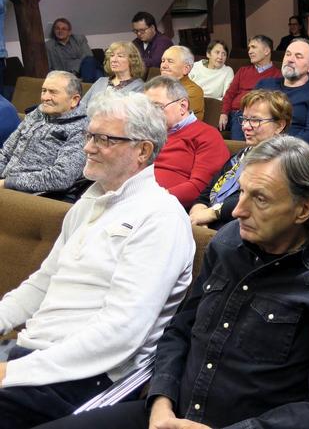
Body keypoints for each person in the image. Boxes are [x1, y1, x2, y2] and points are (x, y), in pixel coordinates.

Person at [36, 136, 309, 429]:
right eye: (241, 192)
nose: (237, 210)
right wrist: (161, 400)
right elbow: (180, 330)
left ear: (303, 209)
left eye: (259, 199)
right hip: (168, 413)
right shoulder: (229, 241)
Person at [0, 91, 195, 428]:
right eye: (90, 135)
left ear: (143, 150)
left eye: (103, 139)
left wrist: (13, 371)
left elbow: (120, 333)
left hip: (89, 376)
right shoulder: (90, 202)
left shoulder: (160, 218)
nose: (87, 147)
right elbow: (42, 283)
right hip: (35, 356)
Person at [189, 89, 291, 229]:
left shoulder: (283, 161)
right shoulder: (240, 156)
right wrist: (198, 214)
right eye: (244, 119)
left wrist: (211, 214)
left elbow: (253, 200)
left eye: (255, 120)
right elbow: (206, 194)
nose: (245, 126)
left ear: (279, 125)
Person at [145, 76, 229, 209]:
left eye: (157, 107)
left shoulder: (207, 135)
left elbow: (200, 188)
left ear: (183, 106)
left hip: (165, 208)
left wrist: (154, 200)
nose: (149, 114)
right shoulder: (145, 133)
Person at [0, 71, 87, 194]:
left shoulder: (82, 130)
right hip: (5, 185)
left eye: (53, 92)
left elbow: (61, 177)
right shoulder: (37, 113)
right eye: (44, 90)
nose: (45, 97)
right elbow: (5, 153)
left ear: (74, 100)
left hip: (31, 196)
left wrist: (8, 183)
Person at [256, 39, 309, 153]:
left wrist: (275, 149)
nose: (290, 59)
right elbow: (245, 118)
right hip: (257, 149)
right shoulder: (264, 85)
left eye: (298, 56)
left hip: (291, 155)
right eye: (288, 54)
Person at [219, 35, 281, 139]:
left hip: (261, 116)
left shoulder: (278, 75)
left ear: (266, 51)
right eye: (249, 48)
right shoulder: (243, 70)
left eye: (254, 47)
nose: (250, 51)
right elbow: (230, 94)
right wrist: (224, 113)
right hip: (238, 114)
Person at [80, 41, 145, 107]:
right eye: (112, 55)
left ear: (132, 61)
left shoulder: (139, 87)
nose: (114, 60)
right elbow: (82, 106)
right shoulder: (101, 81)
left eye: (120, 56)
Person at [45, 18, 101, 83]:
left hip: (84, 68)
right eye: (57, 28)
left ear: (69, 32)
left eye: (64, 29)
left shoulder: (79, 39)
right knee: (97, 73)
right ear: (54, 31)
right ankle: (87, 86)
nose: (60, 31)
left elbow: (88, 56)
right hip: (66, 75)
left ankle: (84, 84)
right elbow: (49, 67)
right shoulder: (49, 46)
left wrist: (74, 70)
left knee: (90, 61)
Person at [160, 45, 205, 120]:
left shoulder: (193, 91)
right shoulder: (157, 87)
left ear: (186, 69)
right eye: (163, 61)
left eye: (170, 61)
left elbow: (170, 118)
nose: (163, 66)